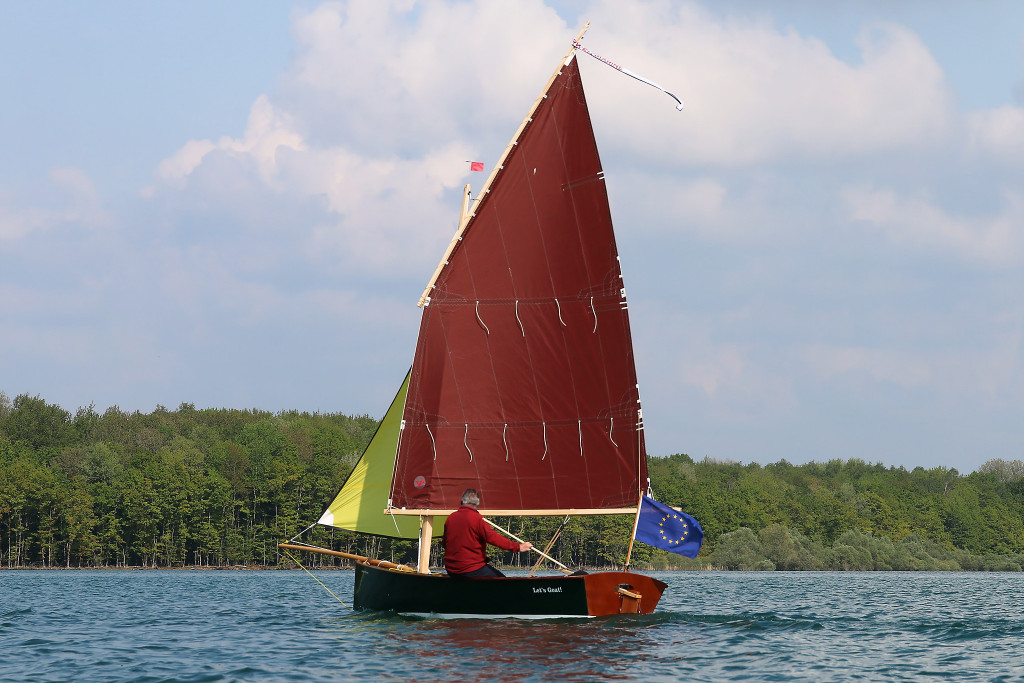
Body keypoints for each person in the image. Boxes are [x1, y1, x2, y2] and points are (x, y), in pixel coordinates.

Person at [442, 489, 532, 577]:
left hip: (451, 570)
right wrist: (518, 547)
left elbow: (444, 543)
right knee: (504, 583)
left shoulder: (450, 518)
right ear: (477, 504)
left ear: (462, 501)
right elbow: (494, 538)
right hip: (471, 569)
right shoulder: (477, 520)